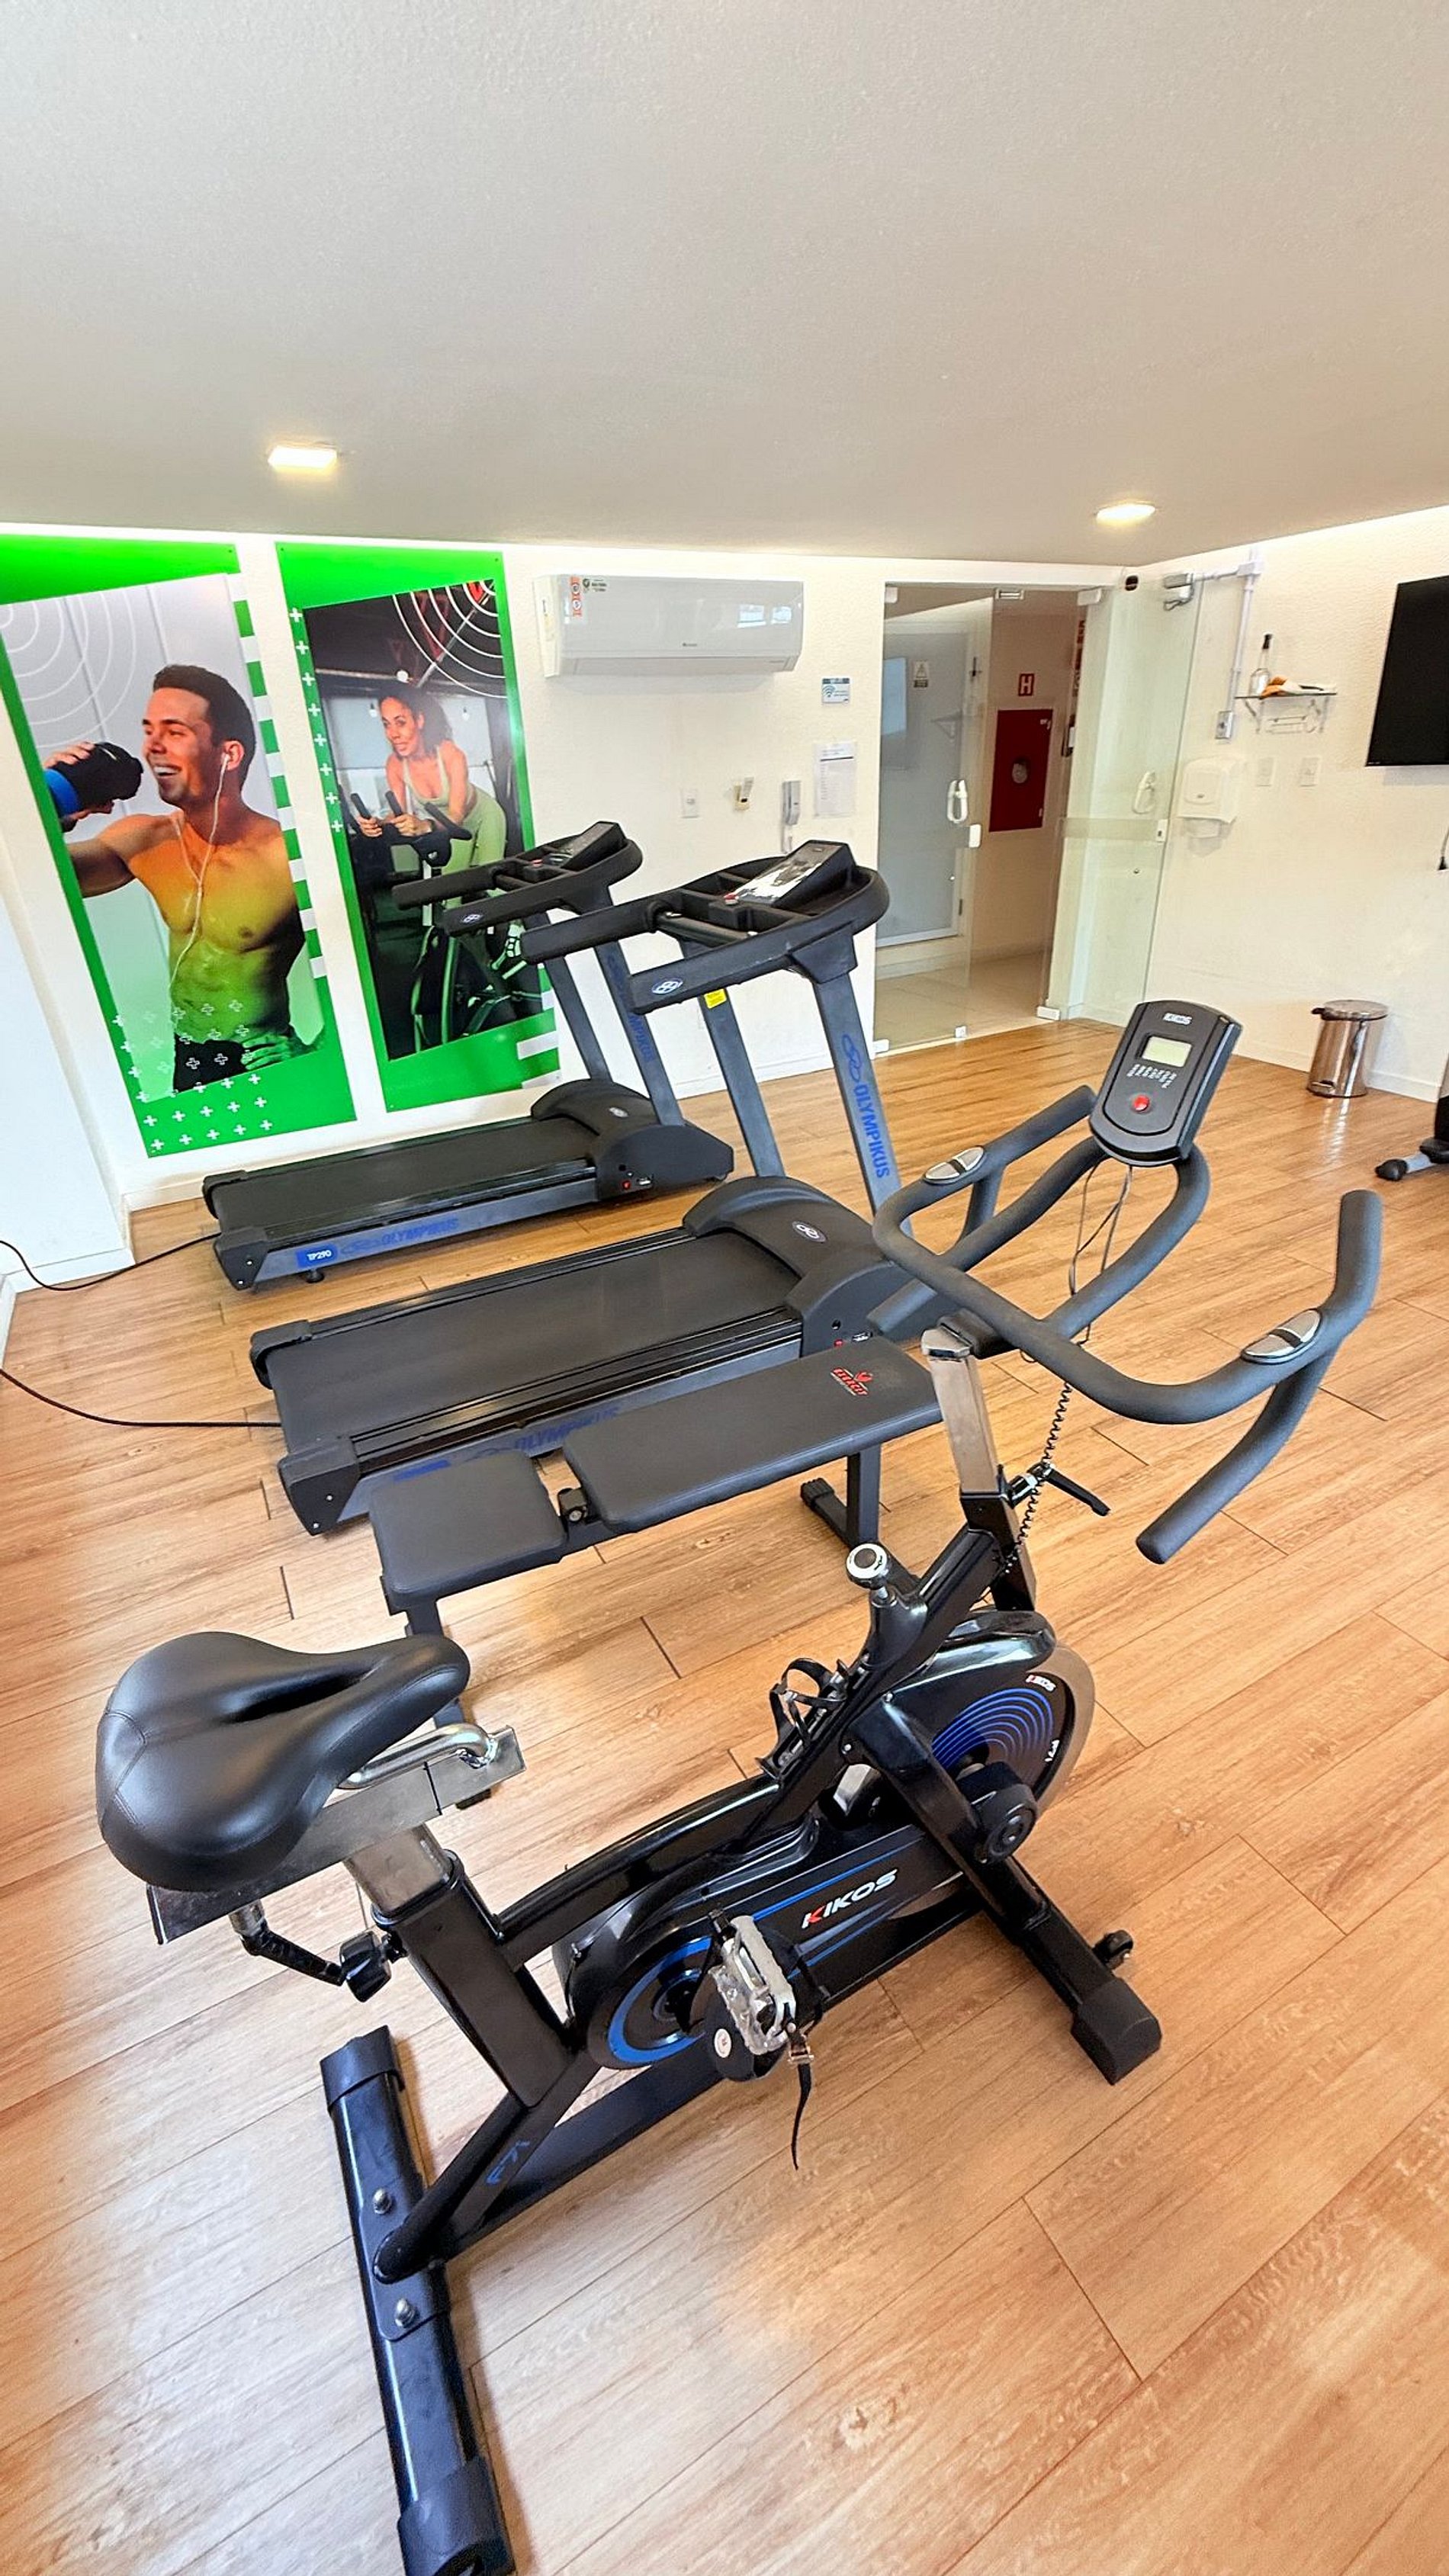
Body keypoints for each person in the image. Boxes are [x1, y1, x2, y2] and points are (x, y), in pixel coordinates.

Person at [63, 666, 304, 1091]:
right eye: (149, 731)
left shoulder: (286, 856)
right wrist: (51, 800)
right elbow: (44, 882)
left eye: (174, 732)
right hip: (188, 1054)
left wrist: (320, 1047)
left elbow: (366, 960)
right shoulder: (143, 839)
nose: (152, 746)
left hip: (260, 1059)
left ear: (229, 754)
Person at [358, 684, 506, 876]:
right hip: (447, 827)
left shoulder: (451, 754)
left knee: (492, 879)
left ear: (420, 720)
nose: (393, 734)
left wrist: (425, 826)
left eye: (400, 722)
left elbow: (456, 816)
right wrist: (378, 824)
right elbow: (398, 813)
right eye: (387, 724)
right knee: (452, 884)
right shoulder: (394, 764)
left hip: (483, 815)